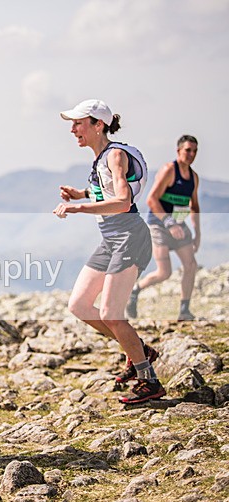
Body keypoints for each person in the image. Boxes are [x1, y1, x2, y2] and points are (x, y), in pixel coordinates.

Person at [55, 99, 165, 404]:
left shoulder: (115, 155)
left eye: (78, 123)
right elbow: (107, 190)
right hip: (111, 240)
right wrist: (81, 193)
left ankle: (149, 380)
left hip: (130, 237)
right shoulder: (102, 158)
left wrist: (78, 208)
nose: (73, 130)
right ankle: (139, 349)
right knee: (79, 305)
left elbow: (123, 201)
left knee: (111, 314)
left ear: (98, 125)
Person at [126, 135, 201, 321]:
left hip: (179, 224)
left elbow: (194, 206)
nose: (191, 154)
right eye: (188, 150)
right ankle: (135, 290)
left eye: (194, 151)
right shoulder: (169, 171)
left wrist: (197, 233)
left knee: (191, 265)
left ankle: (184, 310)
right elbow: (152, 199)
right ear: (178, 151)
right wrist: (169, 222)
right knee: (164, 272)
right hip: (159, 224)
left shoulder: (193, 177)